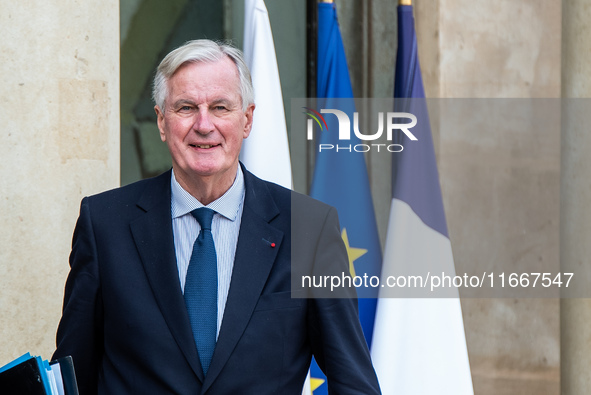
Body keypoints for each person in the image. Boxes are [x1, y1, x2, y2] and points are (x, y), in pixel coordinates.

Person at [53, 39, 381, 394]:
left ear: (247, 120)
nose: (204, 124)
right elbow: (71, 377)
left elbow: (353, 382)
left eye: (221, 107)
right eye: (186, 107)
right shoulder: (104, 224)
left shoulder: (309, 228)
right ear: (162, 122)